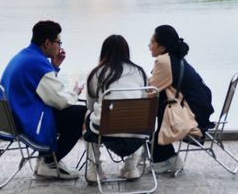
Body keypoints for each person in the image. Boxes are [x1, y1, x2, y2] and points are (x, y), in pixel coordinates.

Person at [0, 20, 85, 179]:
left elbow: (44, 90)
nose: (60, 46)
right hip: (26, 123)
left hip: (14, 119)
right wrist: (75, 93)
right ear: (47, 43)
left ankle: (46, 158)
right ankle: (50, 162)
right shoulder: (37, 64)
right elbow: (60, 101)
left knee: (65, 111)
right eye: (58, 42)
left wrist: (54, 66)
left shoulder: (26, 55)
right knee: (80, 113)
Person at [148, 24, 214, 175]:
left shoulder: (164, 62)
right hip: (200, 110)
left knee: (157, 102)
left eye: (152, 43)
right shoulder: (175, 58)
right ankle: (164, 157)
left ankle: (164, 158)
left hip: (191, 116)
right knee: (162, 99)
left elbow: (150, 90)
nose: (149, 46)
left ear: (162, 47)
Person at [84, 34, 149, 184]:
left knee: (86, 115)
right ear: (126, 52)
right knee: (137, 116)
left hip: (106, 130)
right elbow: (144, 100)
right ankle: (131, 167)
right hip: (139, 132)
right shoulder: (140, 72)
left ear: (104, 52)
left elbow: (90, 105)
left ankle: (95, 169)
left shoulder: (96, 73)